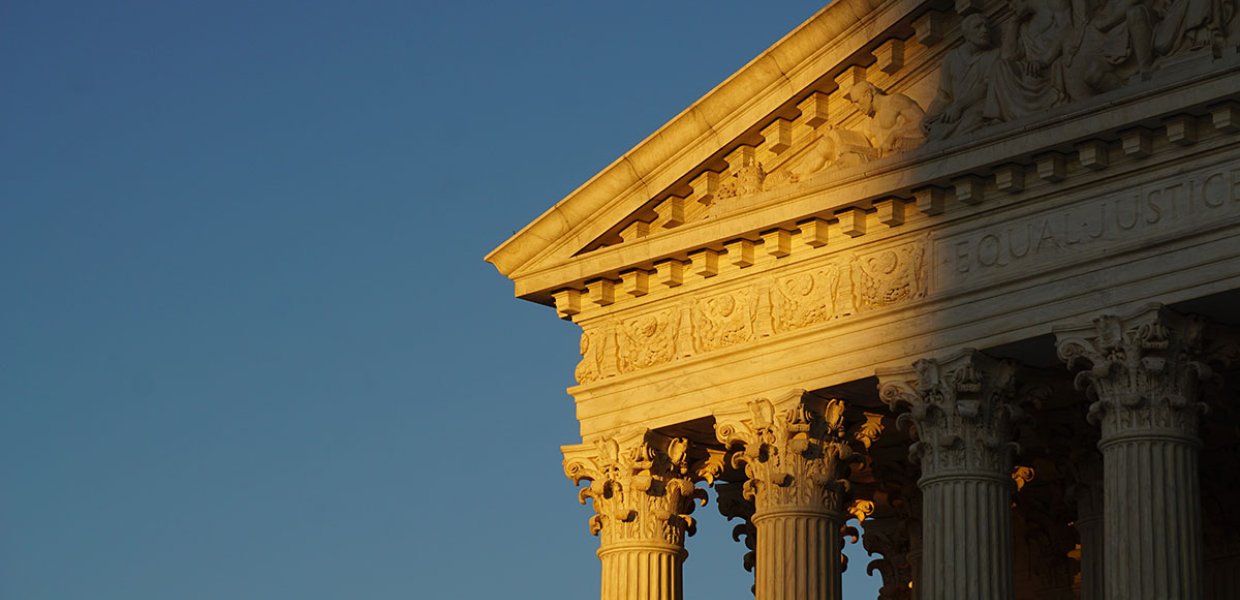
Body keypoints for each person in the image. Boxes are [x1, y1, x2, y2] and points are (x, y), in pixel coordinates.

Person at [923, 14, 1001, 142]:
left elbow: (986, 86)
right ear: (966, 34)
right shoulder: (952, 58)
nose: (984, 30)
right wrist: (928, 117)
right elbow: (944, 95)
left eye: (986, 27)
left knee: (973, 121)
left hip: (979, 107)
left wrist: (959, 106)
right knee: (936, 132)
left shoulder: (994, 55)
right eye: (978, 27)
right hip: (956, 113)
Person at [844, 81, 926, 155]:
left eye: (857, 101)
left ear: (868, 95)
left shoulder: (895, 100)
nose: (857, 107)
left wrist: (894, 135)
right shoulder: (871, 122)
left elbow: (923, 122)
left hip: (910, 156)